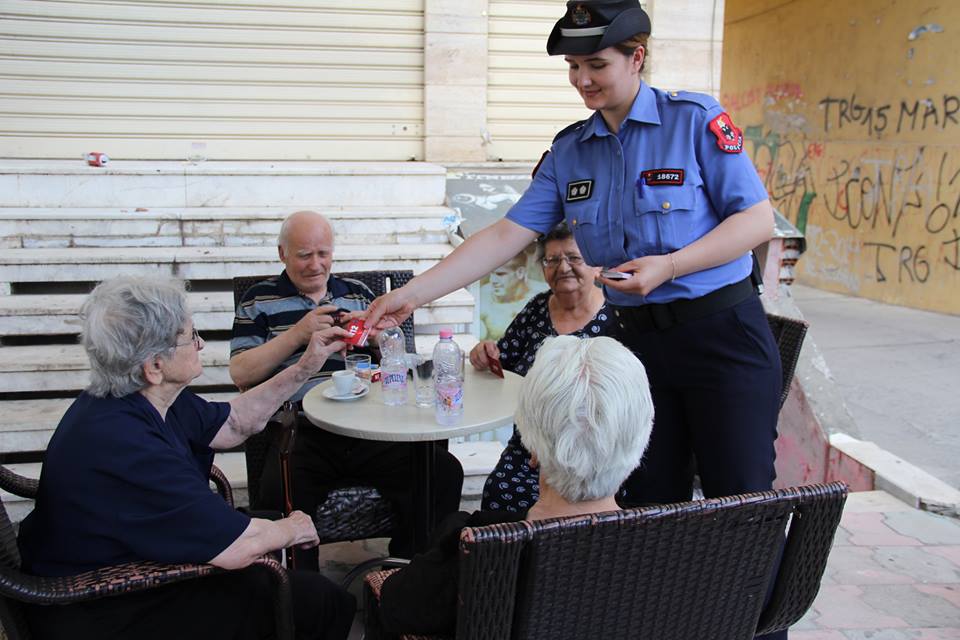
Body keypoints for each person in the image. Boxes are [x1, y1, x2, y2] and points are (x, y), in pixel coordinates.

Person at [17, 276, 355, 640]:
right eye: (190, 337)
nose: (201, 344)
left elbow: (237, 422)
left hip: (131, 559)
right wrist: (290, 528)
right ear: (154, 365)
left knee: (275, 543)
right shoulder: (124, 443)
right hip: (107, 606)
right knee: (322, 600)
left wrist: (307, 365)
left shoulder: (142, 396)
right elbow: (236, 548)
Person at [374, 335, 654, 635]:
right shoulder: (674, 548)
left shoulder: (480, 546)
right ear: (638, 441)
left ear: (532, 447)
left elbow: (396, 605)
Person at [230, 210, 463, 561]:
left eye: (323, 253)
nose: (315, 264)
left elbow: (401, 361)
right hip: (303, 431)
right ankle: (302, 599)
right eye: (304, 255)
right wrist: (298, 334)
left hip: (368, 426)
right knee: (279, 495)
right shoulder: (258, 301)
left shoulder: (357, 294)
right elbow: (241, 373)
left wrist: (376, 336)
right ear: (282, 254)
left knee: (442, 472)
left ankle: (411, 575)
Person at [470, 222, 616, 511]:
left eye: (574, 258)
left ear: (597, 267)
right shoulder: (537, 308)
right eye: (552, 260)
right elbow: (504, 360)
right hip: (529, 449)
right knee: (501, 492)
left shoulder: (616, 317)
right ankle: (505, 558)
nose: (563, 267)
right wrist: (484, 354)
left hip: (591, 454)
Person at [478, 251, 534, 340]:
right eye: (491, 274)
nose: (493, 280)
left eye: (500, 274)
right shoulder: (484, 294)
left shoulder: (538, 298)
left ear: (520, 273)